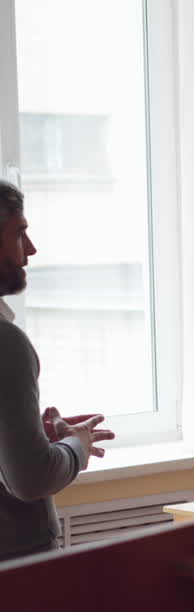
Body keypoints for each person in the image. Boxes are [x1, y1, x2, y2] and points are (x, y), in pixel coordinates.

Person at [0, 180, 115, 561]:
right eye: (20, 233)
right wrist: (76, 447)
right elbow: (30, 479)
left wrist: (33, 435)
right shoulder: (6, 344)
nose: (30, 250)